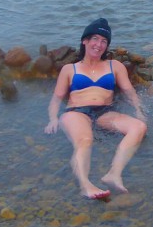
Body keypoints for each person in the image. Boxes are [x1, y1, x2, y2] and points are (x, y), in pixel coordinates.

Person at [44, 18, 147, 200]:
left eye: (104, 41)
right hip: (76, 112)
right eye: (95, 39)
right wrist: (53, 118)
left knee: (138, 127)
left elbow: (129, 91)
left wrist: (139, 110)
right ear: (85, 41)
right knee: (85, 140)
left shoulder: (114, 66)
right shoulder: (70, 69)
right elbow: (56, 99)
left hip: (104, 112)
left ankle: (114, 174)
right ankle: (85, 185)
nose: (99, 45)